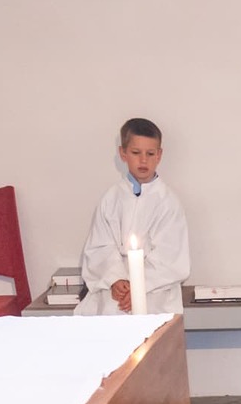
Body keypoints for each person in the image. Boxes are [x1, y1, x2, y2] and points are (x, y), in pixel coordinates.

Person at [75, 117, 190, 316]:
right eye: (136, 153)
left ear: (159, 155)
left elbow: (170, 258)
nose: (143, 160)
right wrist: (115, 279)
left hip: (154, 294)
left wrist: (138, 287)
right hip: (115, 294)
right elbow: (99, 248)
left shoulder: (168, 203)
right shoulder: (111, 198)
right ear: (123, 153)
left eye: (150, 154)